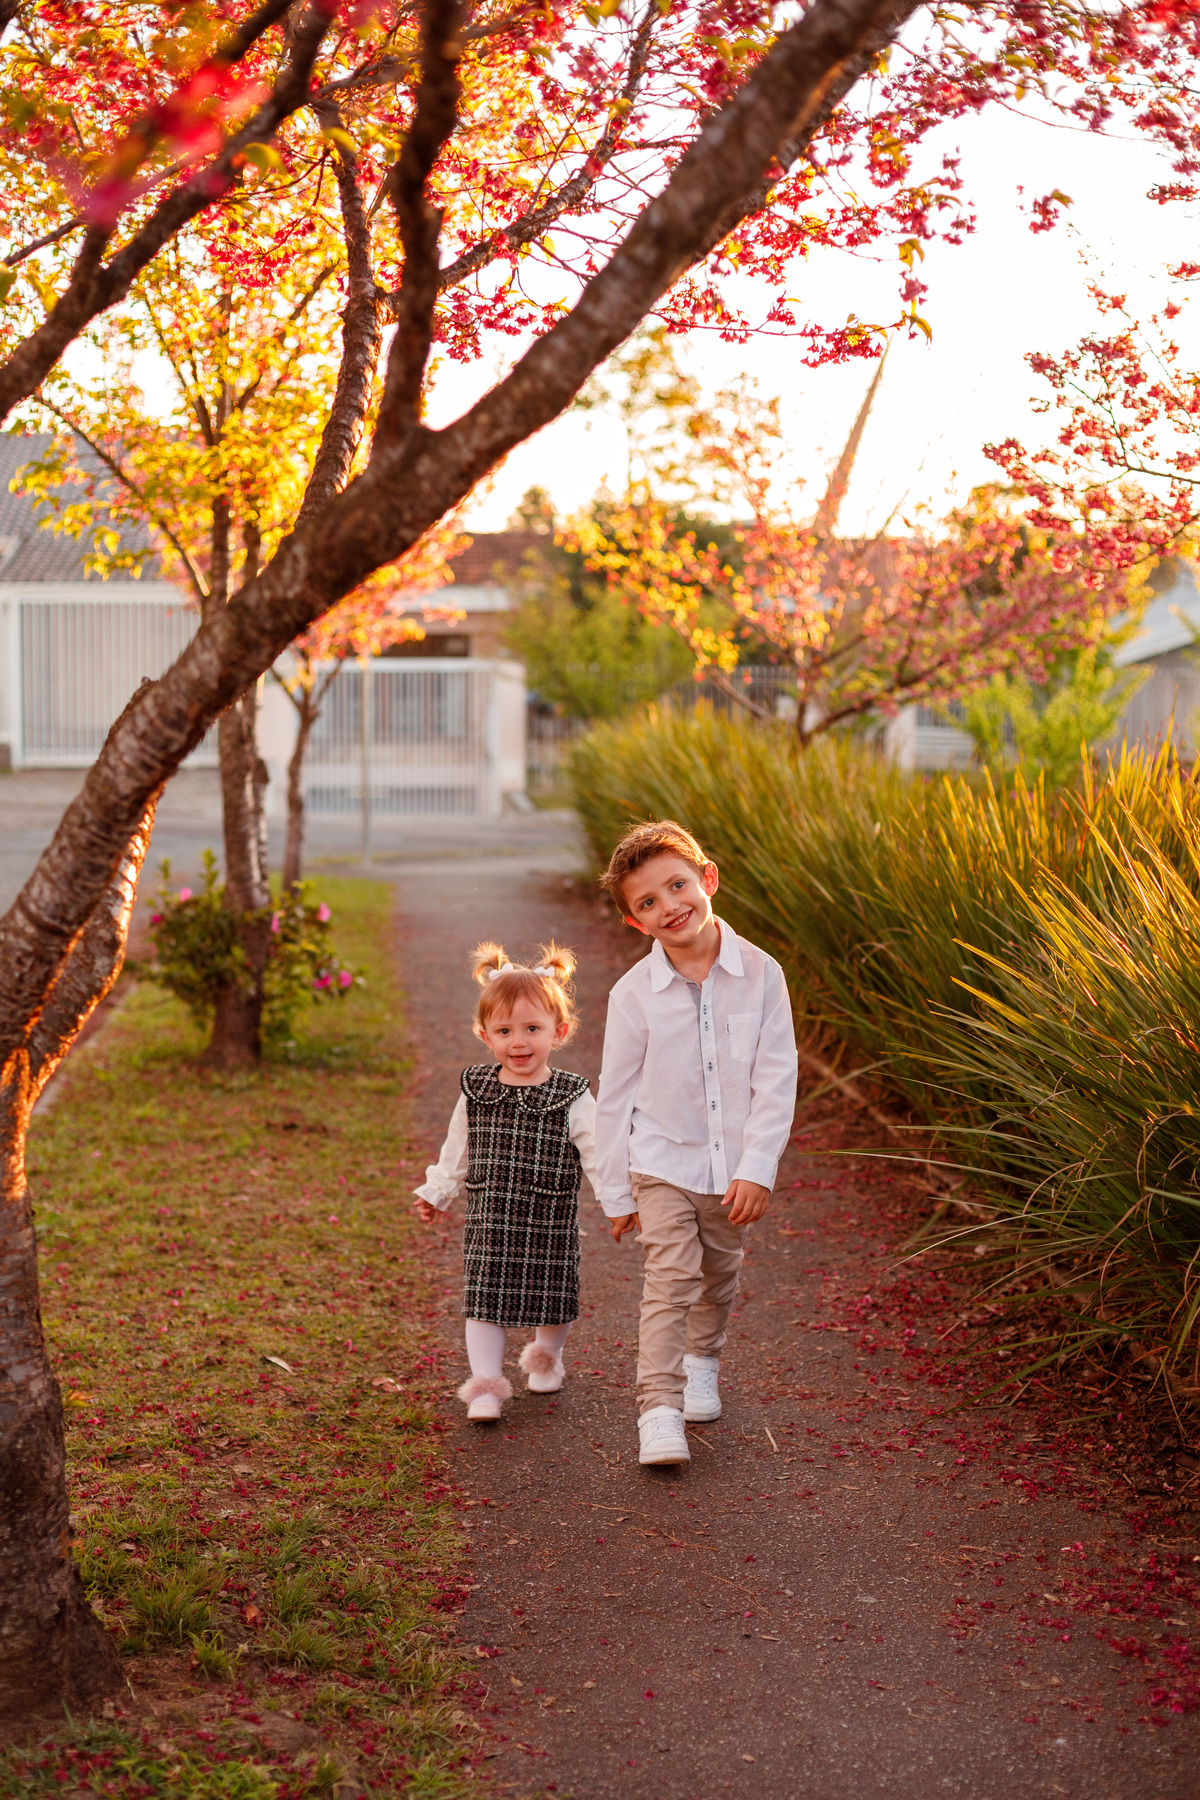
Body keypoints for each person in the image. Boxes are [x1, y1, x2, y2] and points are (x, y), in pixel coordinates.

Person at [595, 821, 797, 1466]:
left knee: (718, 1274)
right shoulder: (633, 995)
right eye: (647, 902)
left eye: (676, 885)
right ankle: (657, 1407)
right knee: (671, 1277)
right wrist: (615, 1189)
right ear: (635, 923)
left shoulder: (762, 974)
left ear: (707, 878)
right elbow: (615, 1096)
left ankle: (702, 1361)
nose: (668, 906)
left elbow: (776, 1075)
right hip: (659, 1162)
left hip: (731, 1169)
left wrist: (759, 1167)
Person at [414, 941, 597, 1422]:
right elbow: (457, 1150)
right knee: (484, 1300)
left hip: (550, 1218)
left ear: (558, 1032)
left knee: (554, 1297)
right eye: (505, 1031)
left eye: (532, 1029)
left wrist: (621, 1201)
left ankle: (546, 1357)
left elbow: (599, 1153)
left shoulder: (572, 1095)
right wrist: (437, 1192)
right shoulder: (476, 1089)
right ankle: (487, 1388)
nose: (519, 1042)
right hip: (491, 1219)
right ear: (485, 1034)